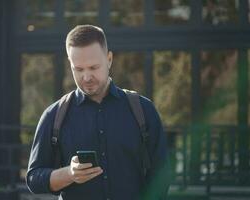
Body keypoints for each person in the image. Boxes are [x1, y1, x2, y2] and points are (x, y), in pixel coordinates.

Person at [26, 25, 170, 200]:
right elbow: (33, 178)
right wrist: (70, 174)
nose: (86, 77)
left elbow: (162, 175)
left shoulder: (144, 110)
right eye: (78, 69)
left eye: (93, 67)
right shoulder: (54, 115)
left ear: (109, 59)